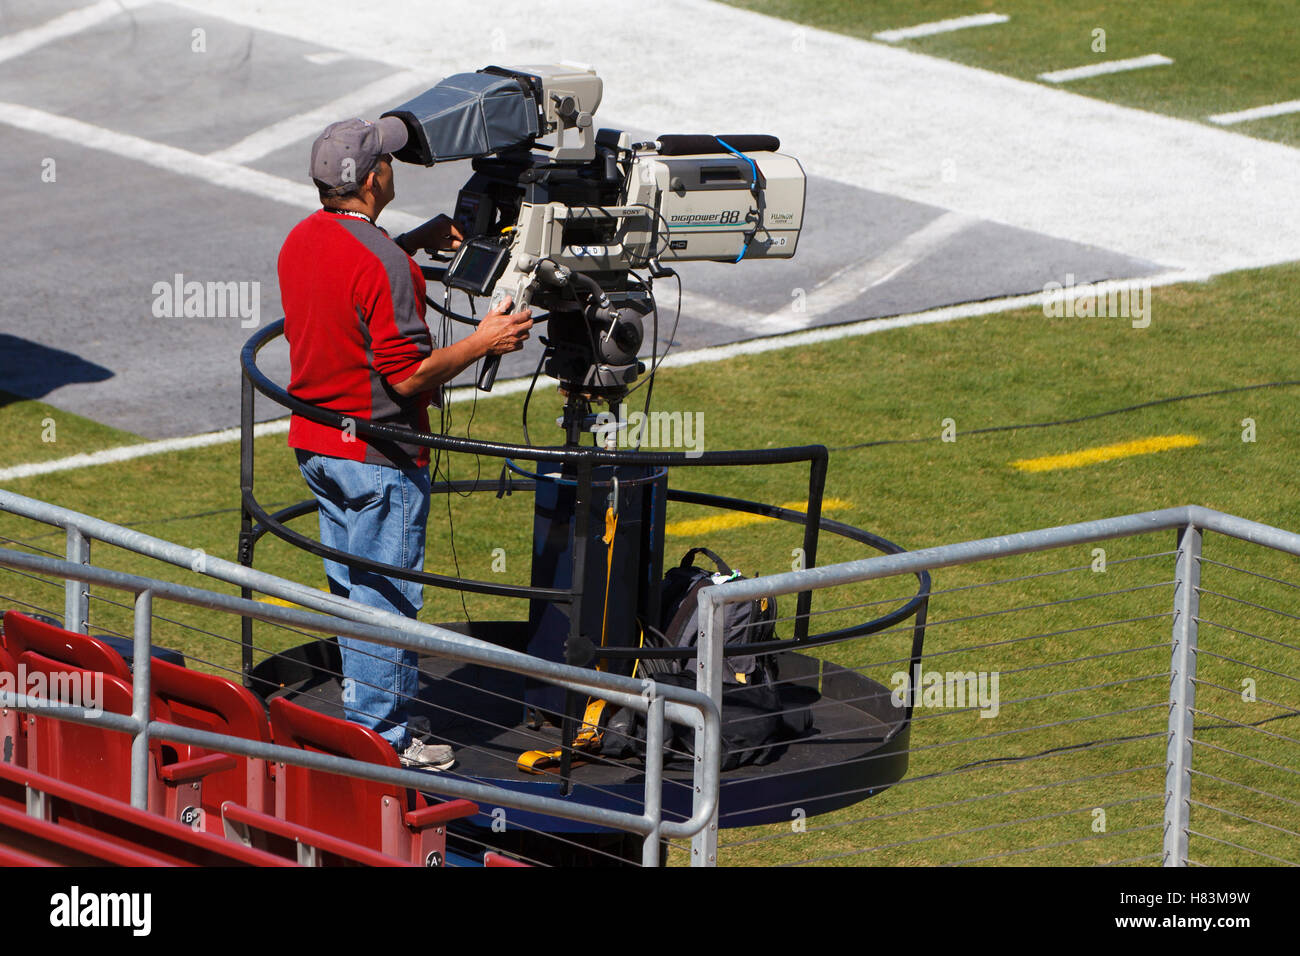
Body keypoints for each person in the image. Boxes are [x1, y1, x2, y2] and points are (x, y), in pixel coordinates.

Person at [277, 116, 532, 769]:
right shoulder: (383, 263)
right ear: (372, 179)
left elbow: (348, 286)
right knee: (386, 599)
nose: (392, 168)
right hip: (378, 456)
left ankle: (366, 722)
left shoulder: (302, 240)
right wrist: (485, 342)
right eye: (386, 162)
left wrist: (407, 245)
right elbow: (407, 373)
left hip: (317, 445)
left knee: (351, 589)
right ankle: (384, 743)